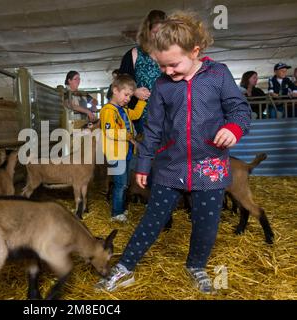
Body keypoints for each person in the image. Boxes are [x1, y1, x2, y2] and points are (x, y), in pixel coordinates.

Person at [96, 12, 251, 295]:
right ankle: (126, 266)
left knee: (206, 223)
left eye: (174, 64)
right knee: (152, 218)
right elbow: (153, 129)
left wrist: (234, 128)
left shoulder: (218, 75)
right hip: (171, 165)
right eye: (162, 65)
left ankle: (196, 265)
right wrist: (143, 165)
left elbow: (240, 110)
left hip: (210, 164)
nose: (167, 71)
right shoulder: (163, 85)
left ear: (195, 51)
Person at [100, 74, 146, 222]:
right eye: (126, 95)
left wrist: (141, 100)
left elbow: (136, 114)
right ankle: (116, 213)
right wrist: (129, 137)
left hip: (125, 152)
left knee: (124, 183)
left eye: (130, 96)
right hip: (115, 153)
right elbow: (110, 131)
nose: (127, 99)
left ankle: (120, 209)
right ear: (115, 90)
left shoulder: (124, 110)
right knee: (120, 184)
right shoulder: (108, 110)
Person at [119, 10, 167, 135]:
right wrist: (134, 91)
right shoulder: (134, 54)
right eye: (155, 32)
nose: (159, 37)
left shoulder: (171, 53)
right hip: (143, 117)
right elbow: (120, 84)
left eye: (163, 33)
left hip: (170, 115)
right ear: (147, 32)